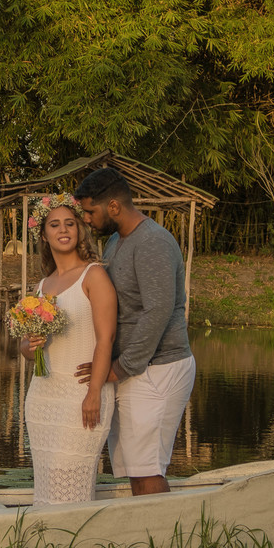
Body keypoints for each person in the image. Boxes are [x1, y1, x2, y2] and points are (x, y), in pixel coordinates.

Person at [72, 167, 195, 496]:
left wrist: (119, 367)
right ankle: (147, 543)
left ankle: (166, 545)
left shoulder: (152, 241)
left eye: (90, 211)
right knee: (135, 470)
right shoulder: (116, 240)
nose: (86, 219)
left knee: (147, 469)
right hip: (135, 369)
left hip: (159, 367)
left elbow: (158, 311)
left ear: (113, 207)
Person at [16, 194, 117, 505]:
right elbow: (26, 349)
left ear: (79, 230)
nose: (63, 230)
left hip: (81, 395)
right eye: (54, 224)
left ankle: (74, 544)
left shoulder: (94, 275)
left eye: (70, 223)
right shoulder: (42, 286)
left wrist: (94, 392)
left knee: (69, 473)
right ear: (44, 235)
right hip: (43, 395)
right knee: (47, 476)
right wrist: (31, 344)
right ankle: (46, 546)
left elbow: (106, 339)